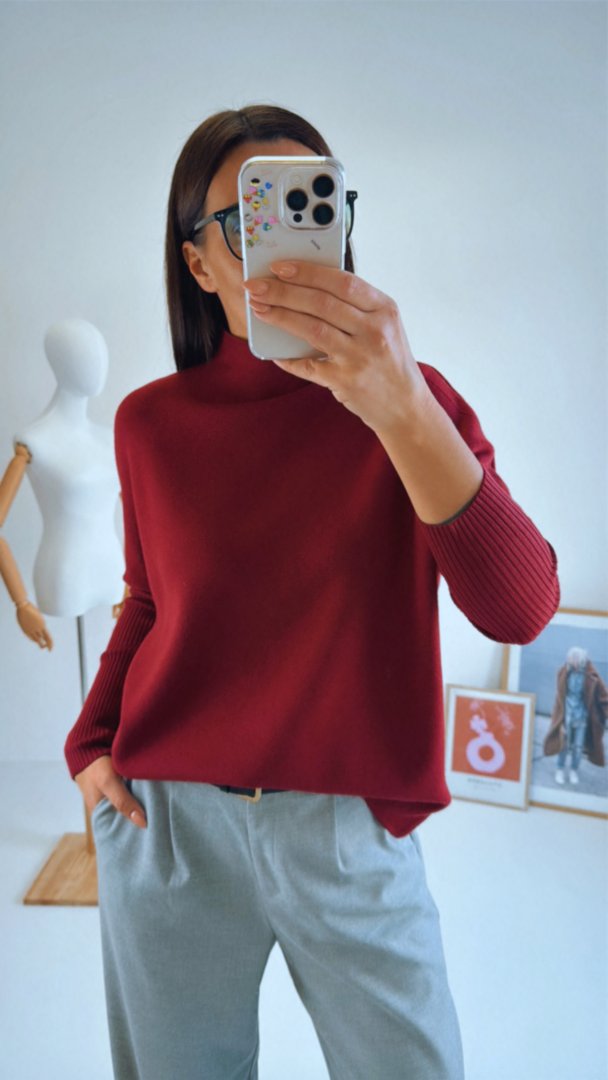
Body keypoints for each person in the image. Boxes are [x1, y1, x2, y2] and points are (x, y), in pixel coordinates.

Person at [63, 103, 560, 1080]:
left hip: (344, 831)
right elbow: (149, 600)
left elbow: (519, 610)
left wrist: (399, 403)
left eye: (312, 205)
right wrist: (89, 741)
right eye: (248, 219)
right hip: (166, 825)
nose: (282, 244)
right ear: (198, 264)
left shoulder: (416, 403)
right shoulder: (149, 424)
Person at [543, 645, 608, 784]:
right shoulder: (564, 672)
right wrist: (557, 718)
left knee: (578, 747)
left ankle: (573, 770)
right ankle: (560, 769)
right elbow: (559, 698)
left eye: (576, 659)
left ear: (582, 659)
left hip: (582, 718)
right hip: (566, 716)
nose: (573, 661)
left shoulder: (591, 675)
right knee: (564, 745)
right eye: (571, 659)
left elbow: (604, 696)